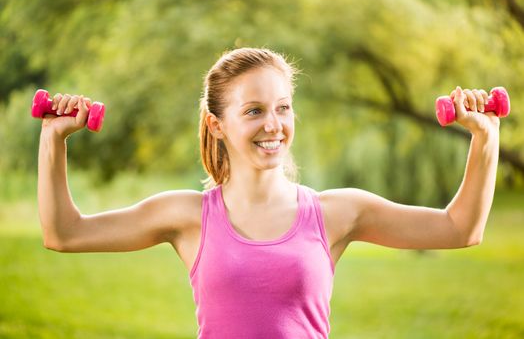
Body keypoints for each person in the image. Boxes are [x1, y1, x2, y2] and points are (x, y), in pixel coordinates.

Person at [38, 47, 500, 338]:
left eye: (283, 108)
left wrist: (486, 135)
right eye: (254, 110)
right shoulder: (185, 216)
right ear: (218, 126)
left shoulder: (338, 213)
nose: (273, 125)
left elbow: (460, 228)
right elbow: (64, 233)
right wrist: (53, 138)